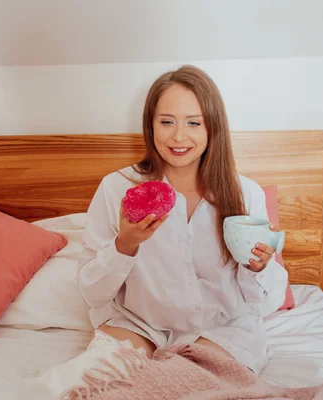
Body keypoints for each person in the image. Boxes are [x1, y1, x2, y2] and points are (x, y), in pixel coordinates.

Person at [77, 65, 288, 375]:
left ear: (212, 128)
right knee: (95, 383)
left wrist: (257, 267)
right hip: (139, 324)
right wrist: (125, 244)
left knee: (191, 386)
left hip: (221, 329)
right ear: (150, 126)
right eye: (166, 122)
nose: (178, 136)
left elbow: (266, 302)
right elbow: (92, 294)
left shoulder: (245, 194)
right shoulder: (117, 188)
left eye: (193, 123)